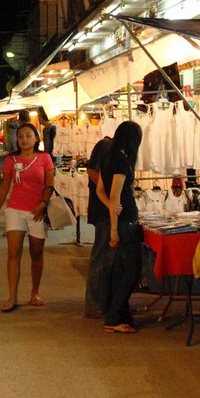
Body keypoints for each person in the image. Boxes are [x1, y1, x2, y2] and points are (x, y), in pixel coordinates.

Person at [0, 123, 55, 312]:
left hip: (36, 211)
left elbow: (49, 185)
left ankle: (35, 292)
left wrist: (42, 204)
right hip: (15, 210)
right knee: (13, 253)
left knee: (37, 253)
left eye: (28, 136)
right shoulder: (11, 160)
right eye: (20, 136)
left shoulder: (45, 158)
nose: (24, 139)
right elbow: (4, 186)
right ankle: (12, 296)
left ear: (36, 138)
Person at [100, 120, 143, 334]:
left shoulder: (109, 158)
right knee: (130, 272)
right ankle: (114, 316)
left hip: (121, 218)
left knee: (121, 270)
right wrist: (115, 227)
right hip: (125, 221)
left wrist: (111, 208)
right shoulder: (121, 161)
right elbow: (115, 194)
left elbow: (101, 190)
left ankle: (119, 313)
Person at [83, 134, 113, 318]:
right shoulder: (106, 145)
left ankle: (108, 302)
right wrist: (109, 193)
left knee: (109, 258)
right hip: (103, 210)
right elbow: (92, 171)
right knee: (101, 257)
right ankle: (94, 304)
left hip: (109, 209)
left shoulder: (115, 148)